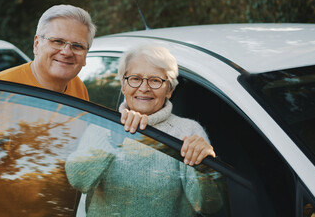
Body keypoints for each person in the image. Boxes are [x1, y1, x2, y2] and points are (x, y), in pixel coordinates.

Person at [0, 4, 147, 217]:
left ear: (85, 57)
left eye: (77, 46)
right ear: (37, 44)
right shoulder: (3, 89)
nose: (66, 51)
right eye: (57, 41)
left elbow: (90, 153)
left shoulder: (79, 89)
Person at [65, 44, 223, 216]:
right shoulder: (102, 128)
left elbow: (208, 207)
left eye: (155, 80)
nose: (144, 88)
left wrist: (205, 169)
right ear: (123, 85)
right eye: (135, 78)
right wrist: (114, 138)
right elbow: (78, 180)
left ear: (169, 90)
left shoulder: (189, 130)